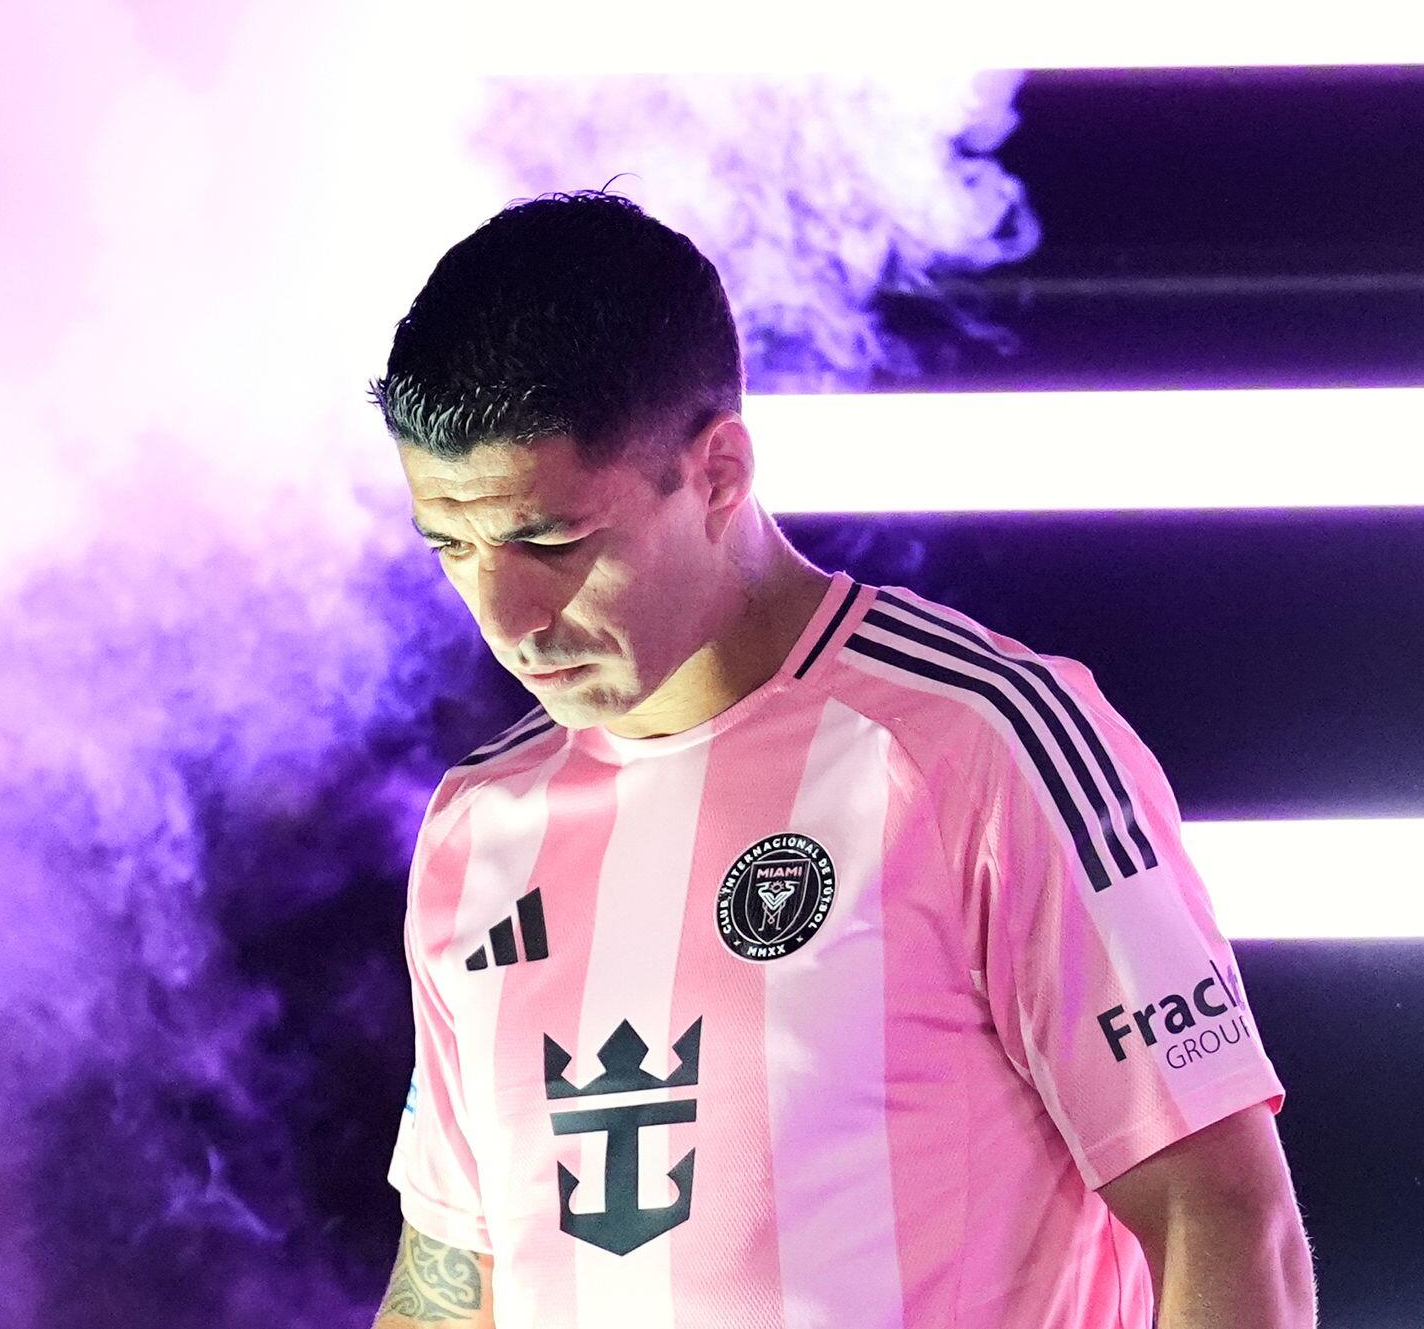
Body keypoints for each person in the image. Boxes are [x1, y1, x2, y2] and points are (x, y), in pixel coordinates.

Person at [364, 189, 1316, 1328]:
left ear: (719, 472)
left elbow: (1223, 1217)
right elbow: (447, 1280)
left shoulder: (979, 744)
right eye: (450, 545)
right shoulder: (477, 825)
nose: (505, 617)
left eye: (550, 540)